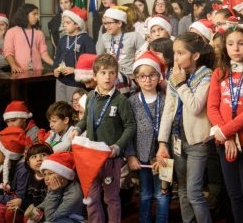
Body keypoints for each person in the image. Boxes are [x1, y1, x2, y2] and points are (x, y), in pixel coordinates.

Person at [207, 21, 243, 223]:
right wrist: (227, 136)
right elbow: (212, 108)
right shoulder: (219, 73)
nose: (236, 48)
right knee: (234, 195)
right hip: (225, 143)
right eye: (231, 44)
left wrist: (225, 133)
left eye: (241, 43)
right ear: (225, 47)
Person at [156, 32, 215, 223]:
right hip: (177, 140)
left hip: (197, 141)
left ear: (195, 55)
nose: (176, 58)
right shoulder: (174, 75)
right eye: (174, 53)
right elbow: (168, 111)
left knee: (194, 192)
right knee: (181, 188)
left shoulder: (206, 75)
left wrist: (181, 83)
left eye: (181, 53)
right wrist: (162, 142)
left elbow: (196, 107)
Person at [70, 54, 136, 223]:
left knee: (111, 198)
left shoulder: (121, 100)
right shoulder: (90, 97)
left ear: (117, 75)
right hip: (90, 157)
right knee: (91, 197)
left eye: (112, 73)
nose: (108, 77)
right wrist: (78, 128)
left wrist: (118, 146)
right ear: (94, 76)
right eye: (103, 72)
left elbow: (130, 126)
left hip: (110, 157)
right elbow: (86, 119)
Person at [126, 51, 170, 223]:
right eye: (142, 76)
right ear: (136, 79)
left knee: (163, 193)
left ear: (159, 77)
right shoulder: (131, 101)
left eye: (152, 75)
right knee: (145, 194)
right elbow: (128, 131)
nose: (147, 80)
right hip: (142, 157)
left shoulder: (166, 99)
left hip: (164, 156)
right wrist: (130, 155)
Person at [53, 6, 96, 103]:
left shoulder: (86, 39)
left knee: (74, 107)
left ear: (77, 24)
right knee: (60, 107)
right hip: (60, 80)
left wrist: (75, 70)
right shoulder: (63, 39)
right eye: (63, 22)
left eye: (68, 23)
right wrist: (55, 69)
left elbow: (91, 62)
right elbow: (57, 57)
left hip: (76, 82)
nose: (64, 25)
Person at [31, 151, 84, 222]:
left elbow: (50, 218)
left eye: (50, 173)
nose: (46, 178)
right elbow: (47, 202)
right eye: (45, 174)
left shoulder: (74, 195)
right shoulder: (58, 184)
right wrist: (38, 208)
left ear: (64, 175)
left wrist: (54, 192)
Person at [96, 6, 145, 77]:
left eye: (109, 23)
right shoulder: (104, 37)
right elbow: (99, 58)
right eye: (104, 24)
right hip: (111, 76)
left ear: (119, 23)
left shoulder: (134, 36)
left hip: (130, 76)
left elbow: (144, 55)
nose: (106, 27)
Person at [4, 3, 53, 73]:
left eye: (37, 14)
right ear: (25, 15)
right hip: (19, 72)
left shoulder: (39, 33)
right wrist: (14, 66)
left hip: (37, 72)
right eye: (34, 14)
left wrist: (55, 64)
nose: (37, 17)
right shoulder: (11, 32)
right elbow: (8, 53)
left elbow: (44, 54)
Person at [20, 142, 53, 218]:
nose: (39, 159)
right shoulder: (29, 177)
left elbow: (49, 202)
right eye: (34, 157)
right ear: (28, 163)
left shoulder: (52, 178)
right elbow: (27, 197)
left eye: (43, 155)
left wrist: (23, 203)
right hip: (34, 213)